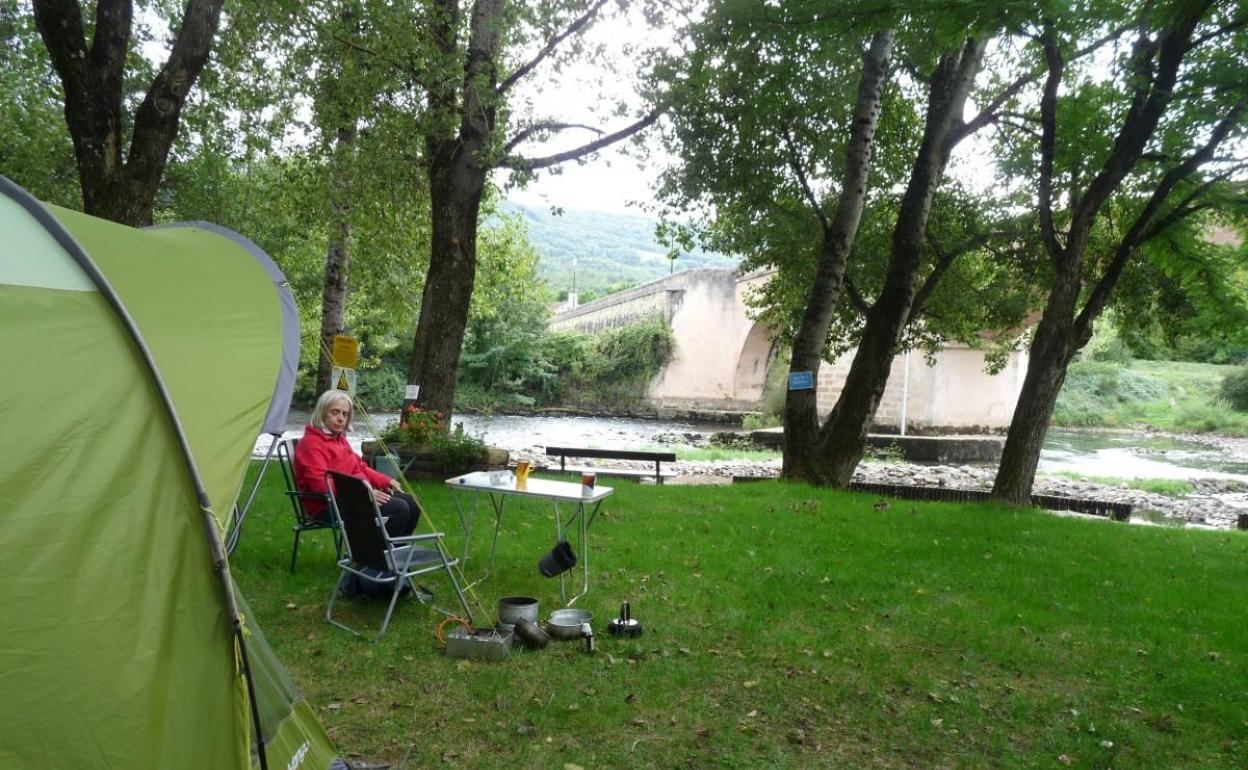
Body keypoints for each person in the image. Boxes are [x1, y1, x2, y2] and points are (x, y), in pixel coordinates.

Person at [294, 389, 420, 538]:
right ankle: (375, 555)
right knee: (399, 508)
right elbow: (320, 485)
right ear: (322, 413)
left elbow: (360, 467)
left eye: (345, 414)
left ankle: (395, 552)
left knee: (412, 502)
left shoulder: (340, 440)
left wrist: (386, 480)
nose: (341, 418)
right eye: (335, 412)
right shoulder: (311, 443)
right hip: (327, 505)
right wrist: (363, 494)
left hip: (352, 498)